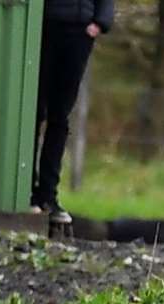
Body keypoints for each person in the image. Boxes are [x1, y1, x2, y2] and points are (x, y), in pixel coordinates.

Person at [32, 0, 113, 225]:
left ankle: (48, 195)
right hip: (44, 26)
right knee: (34, 112)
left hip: (79, 31)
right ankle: (27, 192)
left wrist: (99, 23)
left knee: (60, 116)